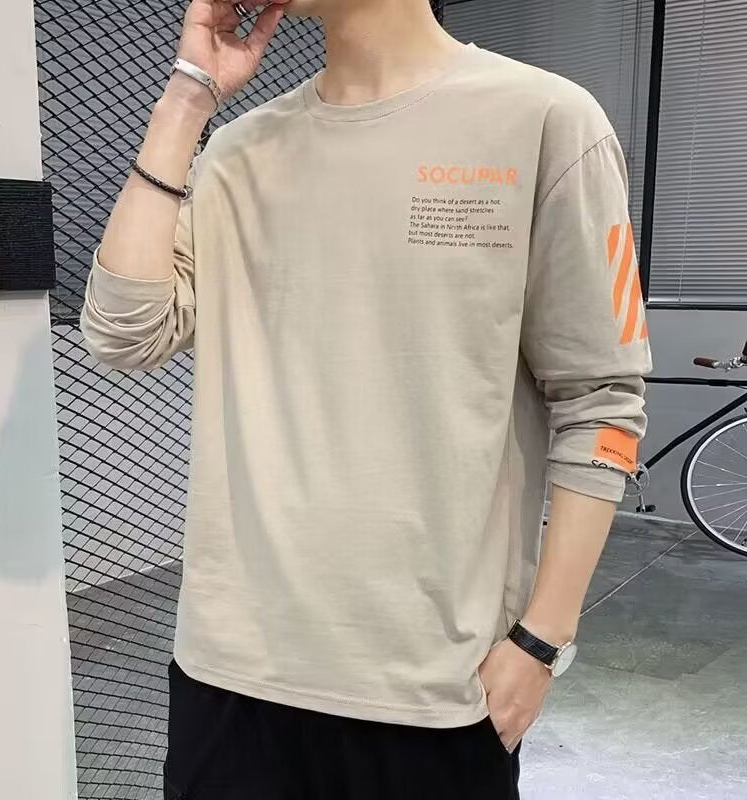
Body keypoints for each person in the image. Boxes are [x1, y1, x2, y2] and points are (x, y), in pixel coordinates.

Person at [80, 0, 652, 797]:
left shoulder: (544, 120)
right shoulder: (238, 152)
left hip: (436, 694)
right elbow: (122, 332)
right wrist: (185, 101)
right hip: (230, 676)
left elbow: (603, 401)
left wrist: (541, 641)